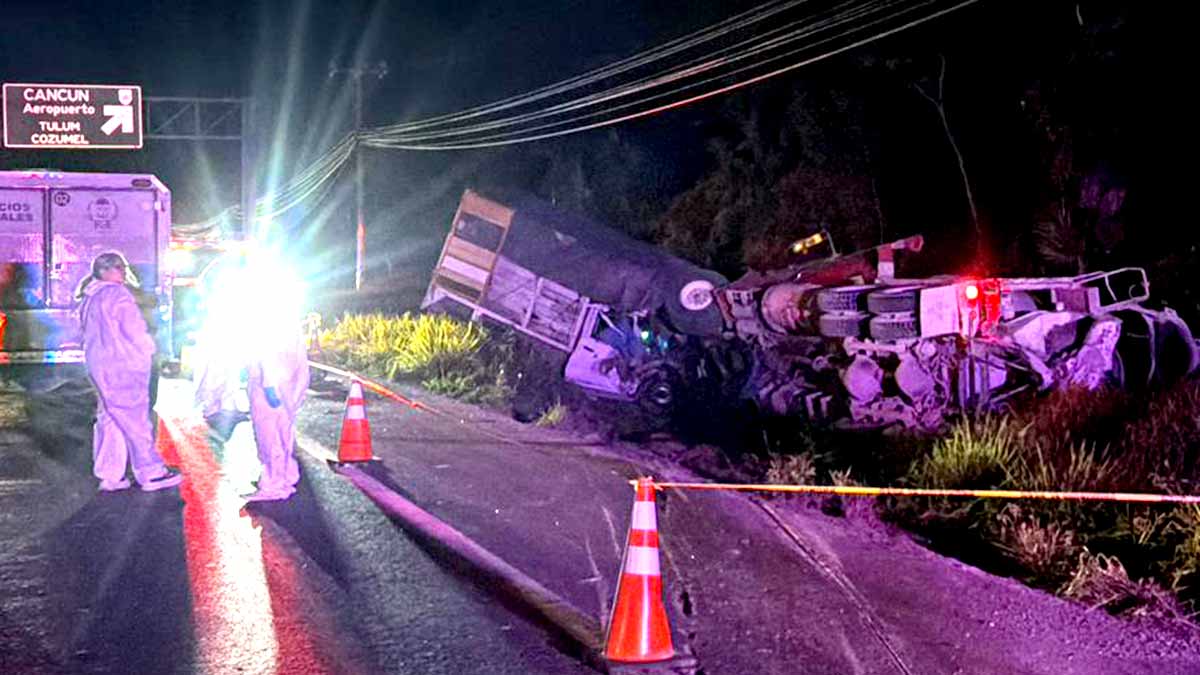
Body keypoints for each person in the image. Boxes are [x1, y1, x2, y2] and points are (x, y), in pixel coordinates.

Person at [77, 251, 183, 492]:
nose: (121, 271)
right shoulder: (117, 295)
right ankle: (151, 472)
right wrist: (150, 351)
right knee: (136, 420)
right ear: (103, 271)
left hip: (100, 367)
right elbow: (133, 330)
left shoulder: (90, 298)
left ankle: (110, 474)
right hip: (123, 366)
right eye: (115, 267)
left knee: (110, 419)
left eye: (121, 266)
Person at [243, 305, 309, 502]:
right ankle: (286, 475)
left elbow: (267, 353)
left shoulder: (268, 315)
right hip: (287, 384)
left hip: (268, 386)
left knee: (269, 436)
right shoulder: (288, 315)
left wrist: (269, 386)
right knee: (283, 432)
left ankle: (274, 484)